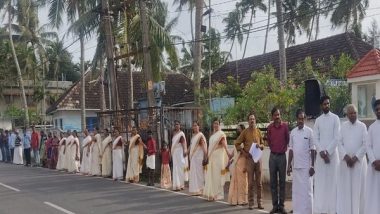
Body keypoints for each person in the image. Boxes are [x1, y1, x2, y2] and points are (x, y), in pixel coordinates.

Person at [336, 104, 367, 214]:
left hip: (358, 164)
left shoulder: (362, 126)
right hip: (346, 163)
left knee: (358, 189)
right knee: (346, 189)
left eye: (355, 112)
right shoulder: (343, 126)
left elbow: (365, 144)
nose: (353, 115)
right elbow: (339, 142)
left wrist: (355, 158)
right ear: (347, 115)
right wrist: (345, 156)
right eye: (351, 113)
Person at [313, 95, 340, 214]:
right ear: (321, 106)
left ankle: (333, 209)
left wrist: (328, 152)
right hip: (321, 157)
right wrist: (322, 152)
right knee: (321, 183)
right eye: (324, 104)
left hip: (333, 157)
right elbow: (315, 137)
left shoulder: (335, 118)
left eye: (328, 103)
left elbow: (337, 137)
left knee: (333, 182)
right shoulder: (318, 120)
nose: (327, 105)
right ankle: (321, 209)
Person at [286, 109, 315, 214]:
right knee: (297, 192)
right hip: (296, 167)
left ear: (305, 119)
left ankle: (308, 212)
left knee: (307, 192)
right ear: (296, 119)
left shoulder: (309, 131)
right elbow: (291, 150)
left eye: (303, 119)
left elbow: (313, 149)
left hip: (307, 167)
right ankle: (298, 211)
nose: (301, 121)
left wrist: (312, 166)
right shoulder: (293, 132)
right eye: (299, 119)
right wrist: (289, 165)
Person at [234, 113, 265, 209]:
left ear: (255, 121)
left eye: (253, 119)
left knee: (259, 183)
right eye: (250, 119)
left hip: (258, 159)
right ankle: (251, 203)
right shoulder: (245, 132)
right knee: (251, 182)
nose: (252, 121)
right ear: (248, 121)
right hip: (250, 159)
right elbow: (237, 143)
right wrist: (244, 153)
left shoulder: (259, 131)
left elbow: (263, 144)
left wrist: (260, 146)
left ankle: (260, 202)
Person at [267, 107, 290, 214]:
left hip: (282, 157)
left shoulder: (285, 126)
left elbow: (287, 140)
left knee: (282, 182)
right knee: (272, 183)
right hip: (272, 157)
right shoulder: (270, 128)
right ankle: (275, 206)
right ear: (272, 116)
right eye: (275, 115)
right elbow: (269, 140)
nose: (277, 117)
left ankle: (281, 206)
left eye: (278, 114)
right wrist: (274, 149)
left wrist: (282, 149)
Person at [203, 118, 232, 201]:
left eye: (217, 123)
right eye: (214, 123)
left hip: (218, 157)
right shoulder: (212, 135)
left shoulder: (221, 134)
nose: (215, 125)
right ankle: (212, 193)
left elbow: (224, 145)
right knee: (212, 175)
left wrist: (228, 153)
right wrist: (207, 156)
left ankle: (218, 194)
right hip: (211, 157)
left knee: (217, 176)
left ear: (219, 125)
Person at [364, 99, 380, 213]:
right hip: (374, 167)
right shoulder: (372, 127)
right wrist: (374, 161)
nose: (379, 111)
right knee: (374, 194)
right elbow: (368, 146)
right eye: (377, 109)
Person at [228, 124, 248, 206]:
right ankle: (235, 200)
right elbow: (233, 152)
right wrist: (229, 159)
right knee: (236, 182)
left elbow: (246, 153)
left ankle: (242, 200)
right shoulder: (237, 140)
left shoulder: (246, 141)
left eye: (239, 129)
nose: (237, 131)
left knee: (242, 182)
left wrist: (247, 165)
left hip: (243, 162)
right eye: (237, 129)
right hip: (236, 163)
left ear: (243, 130)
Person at [188, 121, 207, 195]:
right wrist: (187, 152)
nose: (195, 127)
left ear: (199, 127)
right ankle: (195, 189)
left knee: (199, 174)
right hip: (193, 158)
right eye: (194, 126)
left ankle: (200, 189)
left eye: (196, 125)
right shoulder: (193, 136)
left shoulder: (200, 136)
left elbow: (204, 147)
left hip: (199, 157)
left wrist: (205, 157)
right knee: (193, 173)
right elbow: (191, 145)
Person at [171, 120, 189, 191]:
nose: (176, 125)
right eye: (175, 124)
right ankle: (176, 185)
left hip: (180, 152)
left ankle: (181, 184)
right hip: (174, 152)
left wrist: (185, 150)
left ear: (180, 125)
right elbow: (172, 144)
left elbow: (183, 143)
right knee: (175, 168)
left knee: (181, 167)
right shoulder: (174, 133)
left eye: (178, 124)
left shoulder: (181, 134)